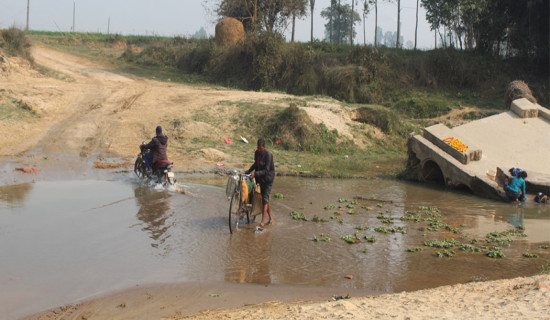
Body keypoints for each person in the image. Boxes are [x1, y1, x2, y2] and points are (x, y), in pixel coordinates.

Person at [245, 138, 275, 230]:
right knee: (264, 199)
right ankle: (271, 219)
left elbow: (266, 170)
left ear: (264, 147)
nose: (259, 150)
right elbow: (255, 164)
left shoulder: (268, 155)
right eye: (258, 148)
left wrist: (255, 174)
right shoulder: (256, 153)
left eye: (260, 148)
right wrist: (249, 170)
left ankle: (262, 223)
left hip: (267, 179)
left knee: (264, 200)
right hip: (260, 179)